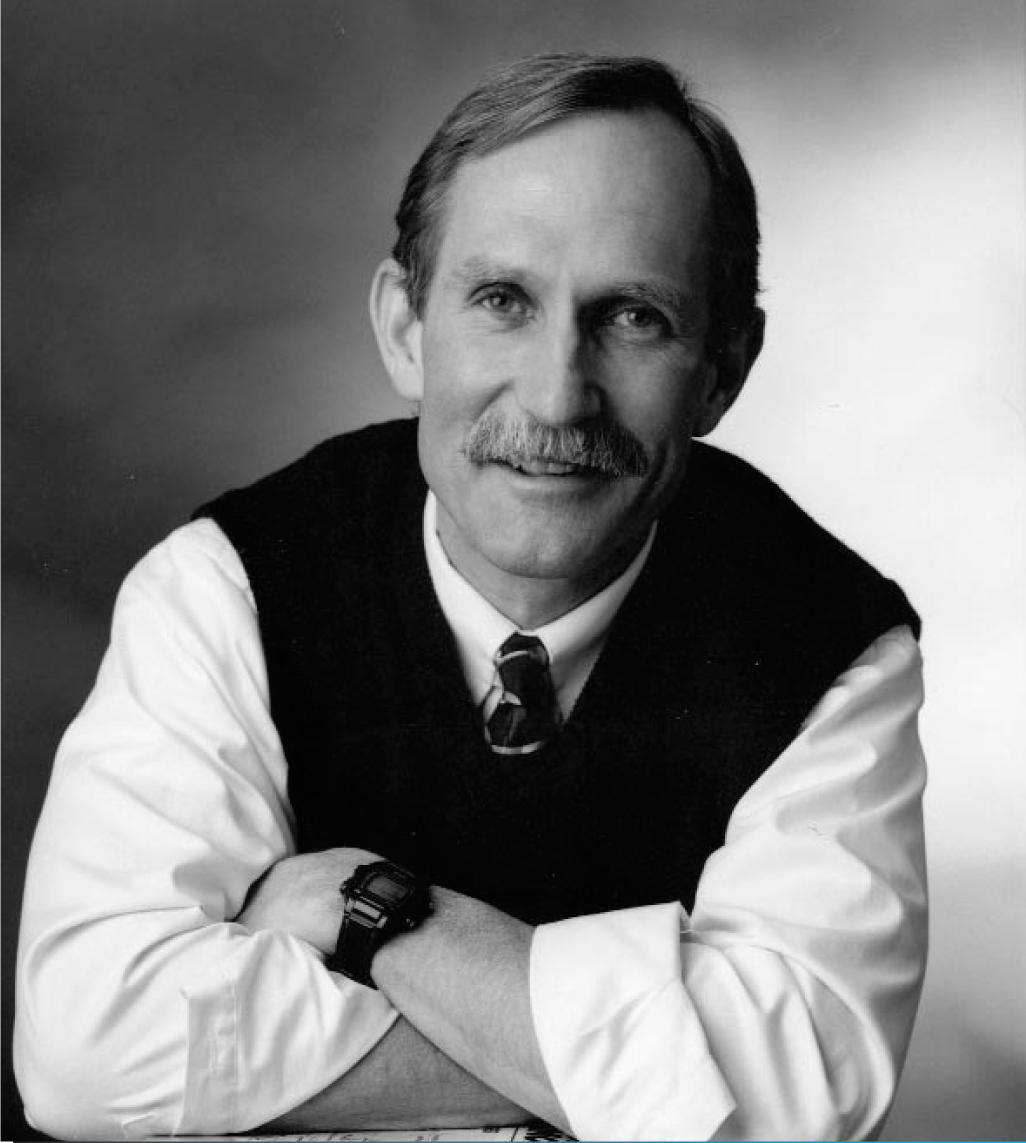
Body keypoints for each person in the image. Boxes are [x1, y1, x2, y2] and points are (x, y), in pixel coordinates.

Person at [14, 53, 927, 1141]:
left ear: (723, 369)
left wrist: (377, 914)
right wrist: (657, 1070)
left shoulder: (830, 638)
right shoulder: (229, 581)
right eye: (502, 301)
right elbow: (87, 1054)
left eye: (634, 317)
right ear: (406, 330)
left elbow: (808, 1090)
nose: (556, 397)